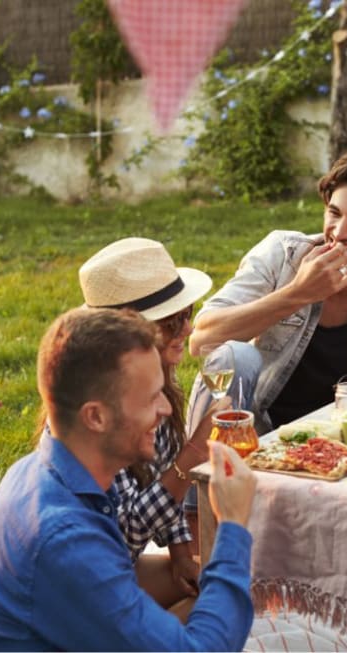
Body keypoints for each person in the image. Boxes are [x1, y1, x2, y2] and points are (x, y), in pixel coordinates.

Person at [0, 308, 257, 651]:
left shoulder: (47, 471)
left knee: (216, 600)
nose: (166, 410)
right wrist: (232, 526)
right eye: (151, 398)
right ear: (96, 416)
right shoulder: (67, 542)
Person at [188, 149, 347, 434]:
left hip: (346, 438)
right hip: (256, 432)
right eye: (334, 213)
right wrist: (298, 293)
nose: (340, 232)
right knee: (236, 356)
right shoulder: (280, 256)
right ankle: (200, 474)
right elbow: (201, 340)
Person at [73, 236, 228, 603]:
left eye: (188, 314)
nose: (188, 330)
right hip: (80, 586)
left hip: (115, 567)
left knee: (219, 588)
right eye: (175, 321)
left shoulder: (151, 374)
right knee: (211, 610)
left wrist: (179, 557)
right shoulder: (99, 411)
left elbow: (159, 473)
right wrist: (195, 451)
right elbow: (126, 530)